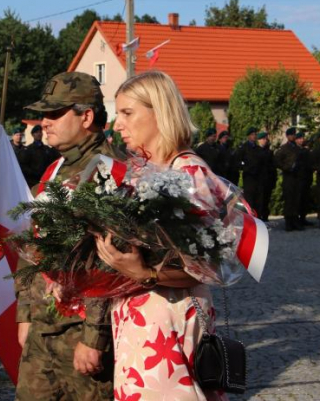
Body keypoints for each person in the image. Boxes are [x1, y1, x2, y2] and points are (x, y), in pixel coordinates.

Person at [96, 71, 226, 401]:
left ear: (160, 112)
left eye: (127, 113)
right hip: (138, 321)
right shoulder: (143, 173)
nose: (117, 125)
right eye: (117, 114)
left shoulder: (187, 172)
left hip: (167, 322)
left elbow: (205, 265)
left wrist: (144, 273)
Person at [15, 71, 119, 401]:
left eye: (55, 113)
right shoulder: (56, 169)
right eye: (44, 114)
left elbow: (110, 260)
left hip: (80, 334)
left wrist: (94, 337)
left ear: (86, 116)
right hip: (44, 329)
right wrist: (25, 313)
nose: (44, 122)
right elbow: (31, 245)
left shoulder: (108, 170)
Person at [275, 127, 302, 231]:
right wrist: (286, 168)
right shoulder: (284, 149)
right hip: (288, 177)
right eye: (291, 135)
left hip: (297, 177)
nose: (293, 136)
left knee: (296, 200)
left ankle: (295, 221)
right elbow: (277, 161)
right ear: (287, 136)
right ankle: (288, 223)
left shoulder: (297, 148)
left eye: (294, 135)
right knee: (289, 200)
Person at [295, 132, 314, 227]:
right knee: (298, 200)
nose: (302, 140)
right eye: (299, 138)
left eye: (303, 138)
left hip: (306, 177)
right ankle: (297, 219)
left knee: (305, 200)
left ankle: (303, 218)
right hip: (297, 179)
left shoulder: (306, 150)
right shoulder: (295, 150)